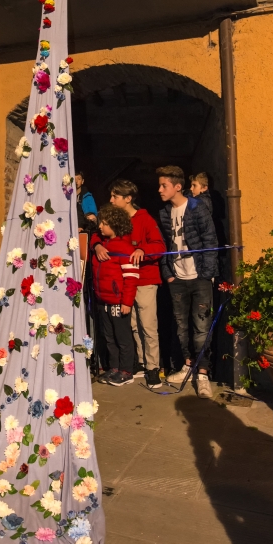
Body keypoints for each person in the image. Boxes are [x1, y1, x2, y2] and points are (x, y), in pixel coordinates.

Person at [95, 179, 166, 391]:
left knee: (147, 325)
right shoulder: (114, 219)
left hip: (144, 279)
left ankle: (153, 368)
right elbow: (100, 236)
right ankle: (140, 363)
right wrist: (97, 244)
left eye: (115, 196)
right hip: (123, 282)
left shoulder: (144, 219)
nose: (111, 199)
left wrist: (143, 250)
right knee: (132, 325)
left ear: (128, 198)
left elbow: (159, 245)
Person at [156, 166, 218, 398]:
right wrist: (168, 273)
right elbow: (163, 244)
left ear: (177, 186)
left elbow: (210, 239)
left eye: (164, 185)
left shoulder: (197, 207)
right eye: (160, 185)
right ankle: (189, 366)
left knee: (201, 326)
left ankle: (203, 374)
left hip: (199, 276)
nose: (160, 189)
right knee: (181, 326)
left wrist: (207, 273)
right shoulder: (164, 212)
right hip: (177, 278)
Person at [90, 203, 140, 386]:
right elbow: (92, 238)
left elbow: (131, 279)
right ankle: (114, 368)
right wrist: (96, 246)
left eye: (104, 223)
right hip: (103, 300)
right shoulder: (101, 245)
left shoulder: (125, 249)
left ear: (115, 224)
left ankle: (126, 371)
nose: (100, 226)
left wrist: (126, 302)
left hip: (119, 302)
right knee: (109, 337)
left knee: (123, 337)